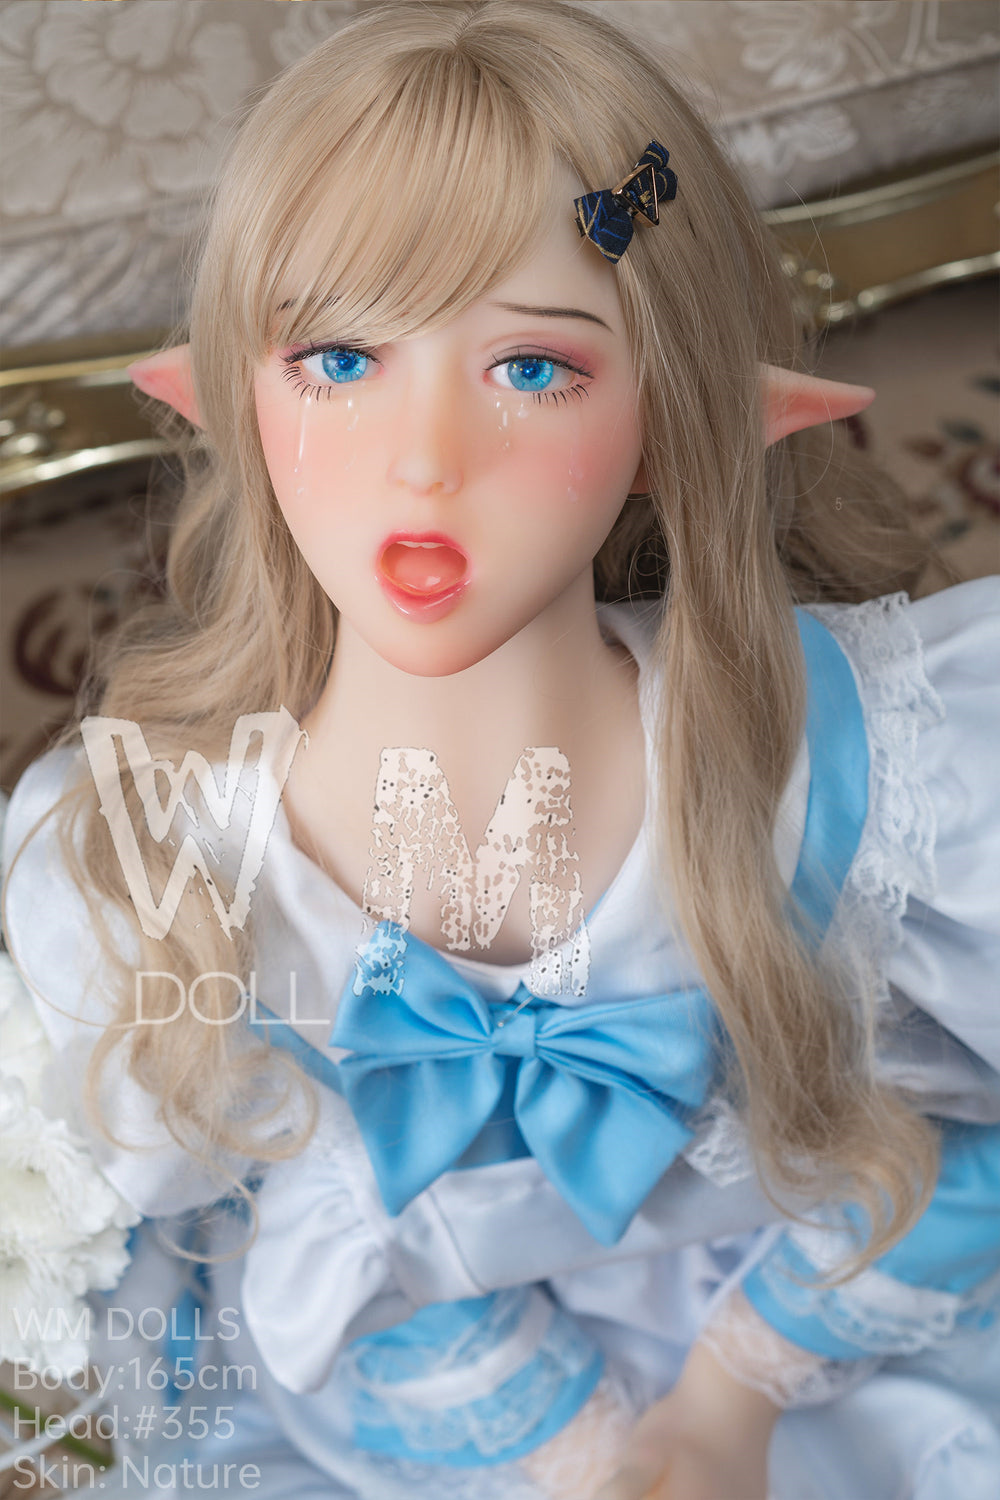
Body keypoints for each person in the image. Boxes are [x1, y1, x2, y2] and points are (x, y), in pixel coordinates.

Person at [3, 3, 999, 1496]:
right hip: (444, 1414)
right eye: (339, 359)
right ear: (234, 403)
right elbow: (264, 1262)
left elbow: (958, 1145)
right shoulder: (153, 869)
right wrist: (581, 1454)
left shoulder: (864, 779)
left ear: (675, 416)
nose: (424, 463)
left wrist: (731, 1398)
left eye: (531, 370)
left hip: (828, 1330)